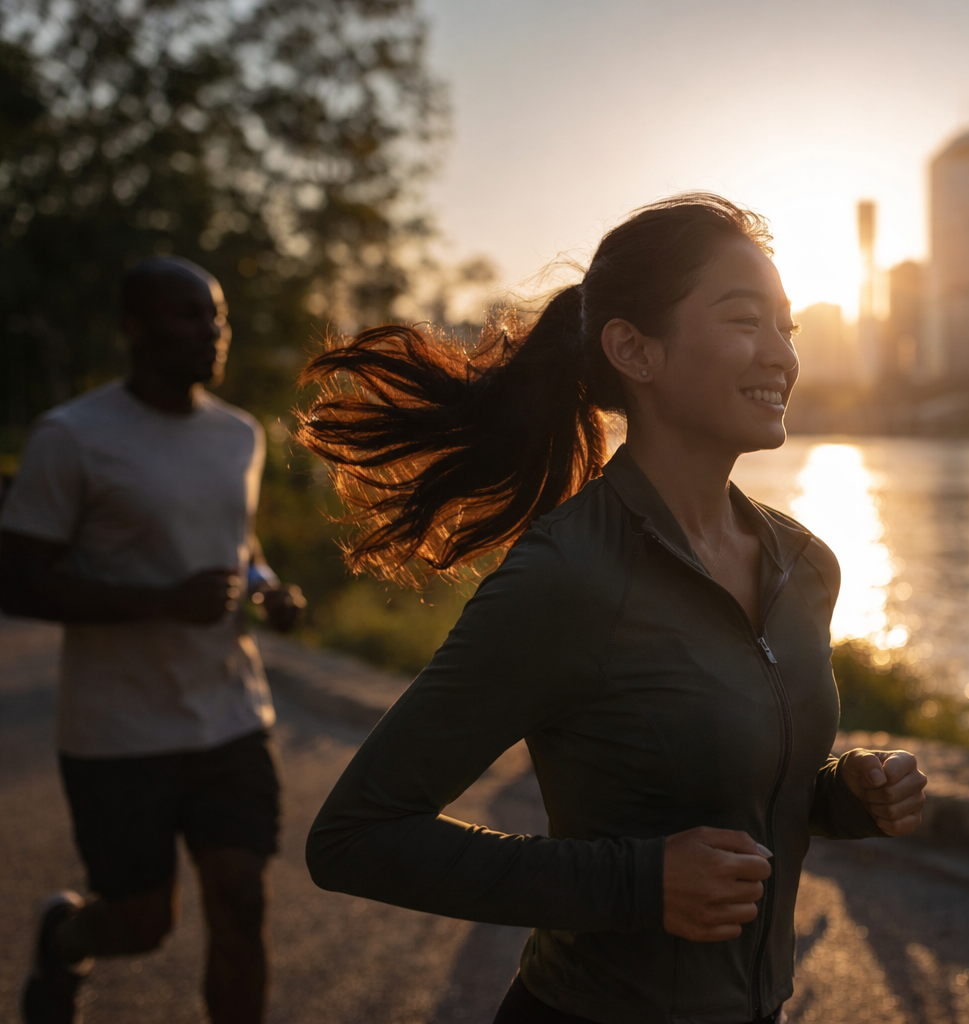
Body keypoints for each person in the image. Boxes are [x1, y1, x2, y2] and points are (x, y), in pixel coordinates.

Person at [298, 194, 928, 1024]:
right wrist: (636, 884)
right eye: (746, 322)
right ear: (635, 349)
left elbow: (715, 788)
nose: (781, 356)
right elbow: (355, 837)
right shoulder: (570, 572)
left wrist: (843, 796)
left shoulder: (806, 565)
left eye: (789, 328)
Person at [0, 257, 304, 1024]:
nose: (211, 332)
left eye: (218, 317)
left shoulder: (238, 436)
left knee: (240, 902)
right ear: (133, 328)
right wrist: (159, 601)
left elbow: (238, 543)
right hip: (117, 730)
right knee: (141, 923)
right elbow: (17, 579)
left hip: (230, 716)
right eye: (188, 315)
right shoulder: (71, 436)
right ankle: (65, 938)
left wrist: (267, 588)